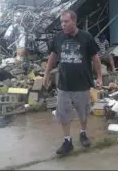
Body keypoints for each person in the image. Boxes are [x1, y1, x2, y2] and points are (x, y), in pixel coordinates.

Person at [43, 10, 103, 156]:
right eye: (62, 22)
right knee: (63, 113)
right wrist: (46, 73)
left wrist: (100, 77)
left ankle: (83, 133)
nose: (63, 24)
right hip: (64, 84)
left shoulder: (86, 37)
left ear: (74, 21)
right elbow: (53, 56)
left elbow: (95, 58)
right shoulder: (58, 38)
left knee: (83, 112)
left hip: (82, 83)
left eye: (66, 21)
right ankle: (67, 141)